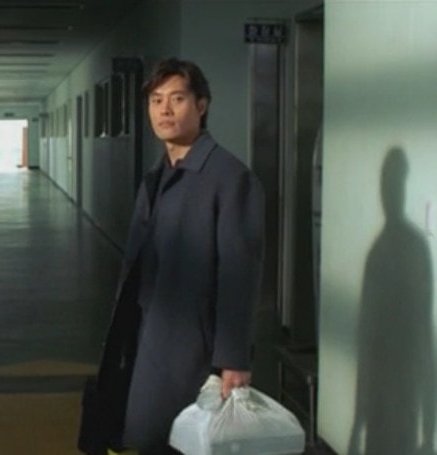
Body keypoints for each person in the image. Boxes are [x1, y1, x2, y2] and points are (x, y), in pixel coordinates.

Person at [105, 58, 266, 455]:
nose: (165, 109)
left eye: (177, 99)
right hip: (148, 333)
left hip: (194, 349)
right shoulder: (156, 176)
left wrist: (234, 359)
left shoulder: (230, 178)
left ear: (202, 105)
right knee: (146, 435)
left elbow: (239, 273)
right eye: (156, 100)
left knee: (181, 440)